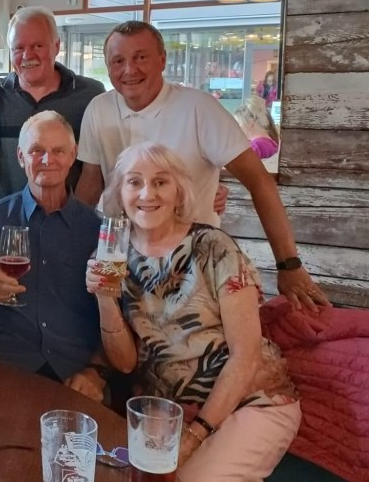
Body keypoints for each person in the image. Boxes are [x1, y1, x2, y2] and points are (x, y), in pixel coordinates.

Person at [86, 142, 300, 482]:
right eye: (134, 182)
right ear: (119, 192)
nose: (147, 193)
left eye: (160, 182)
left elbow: (246, 355)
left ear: (178, 191)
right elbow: (126, 362)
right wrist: (104, 300)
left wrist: (196, 434)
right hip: (168, 411)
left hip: (251, 399)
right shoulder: (114, 252)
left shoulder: (213, 247)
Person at [74, 21, 329, 312]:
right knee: (117, 336)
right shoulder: (98, 108)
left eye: (141, 57)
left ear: (162, 60)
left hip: (193, 264)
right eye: (118, 61)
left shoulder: (199, 107)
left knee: (197, 338)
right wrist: (69, 249)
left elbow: (259, 181)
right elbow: (90, 184)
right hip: (122, 262)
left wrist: (289, 264)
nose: (130, 69)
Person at [0, 112, 106, 400]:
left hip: (73, 372)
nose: (47, 159)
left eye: (58, 151)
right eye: (36, 150)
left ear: (73, 156)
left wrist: (96, 373)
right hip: (0, 365)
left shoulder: (97, 231)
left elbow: (115, 316)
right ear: (20, 157)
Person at [0, 6, 104, 197]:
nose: (27, 55)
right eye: (19, 48)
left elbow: (95, 170)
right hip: (5, 214)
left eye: (37, 46)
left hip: (71, 214)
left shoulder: (91, 95)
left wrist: (76, 214)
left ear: (57, 46)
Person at [234, 94, 279, 160]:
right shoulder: (270, 141)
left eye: (238, 124)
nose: (236, 128)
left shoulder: (256, 146)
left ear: (250, 122)